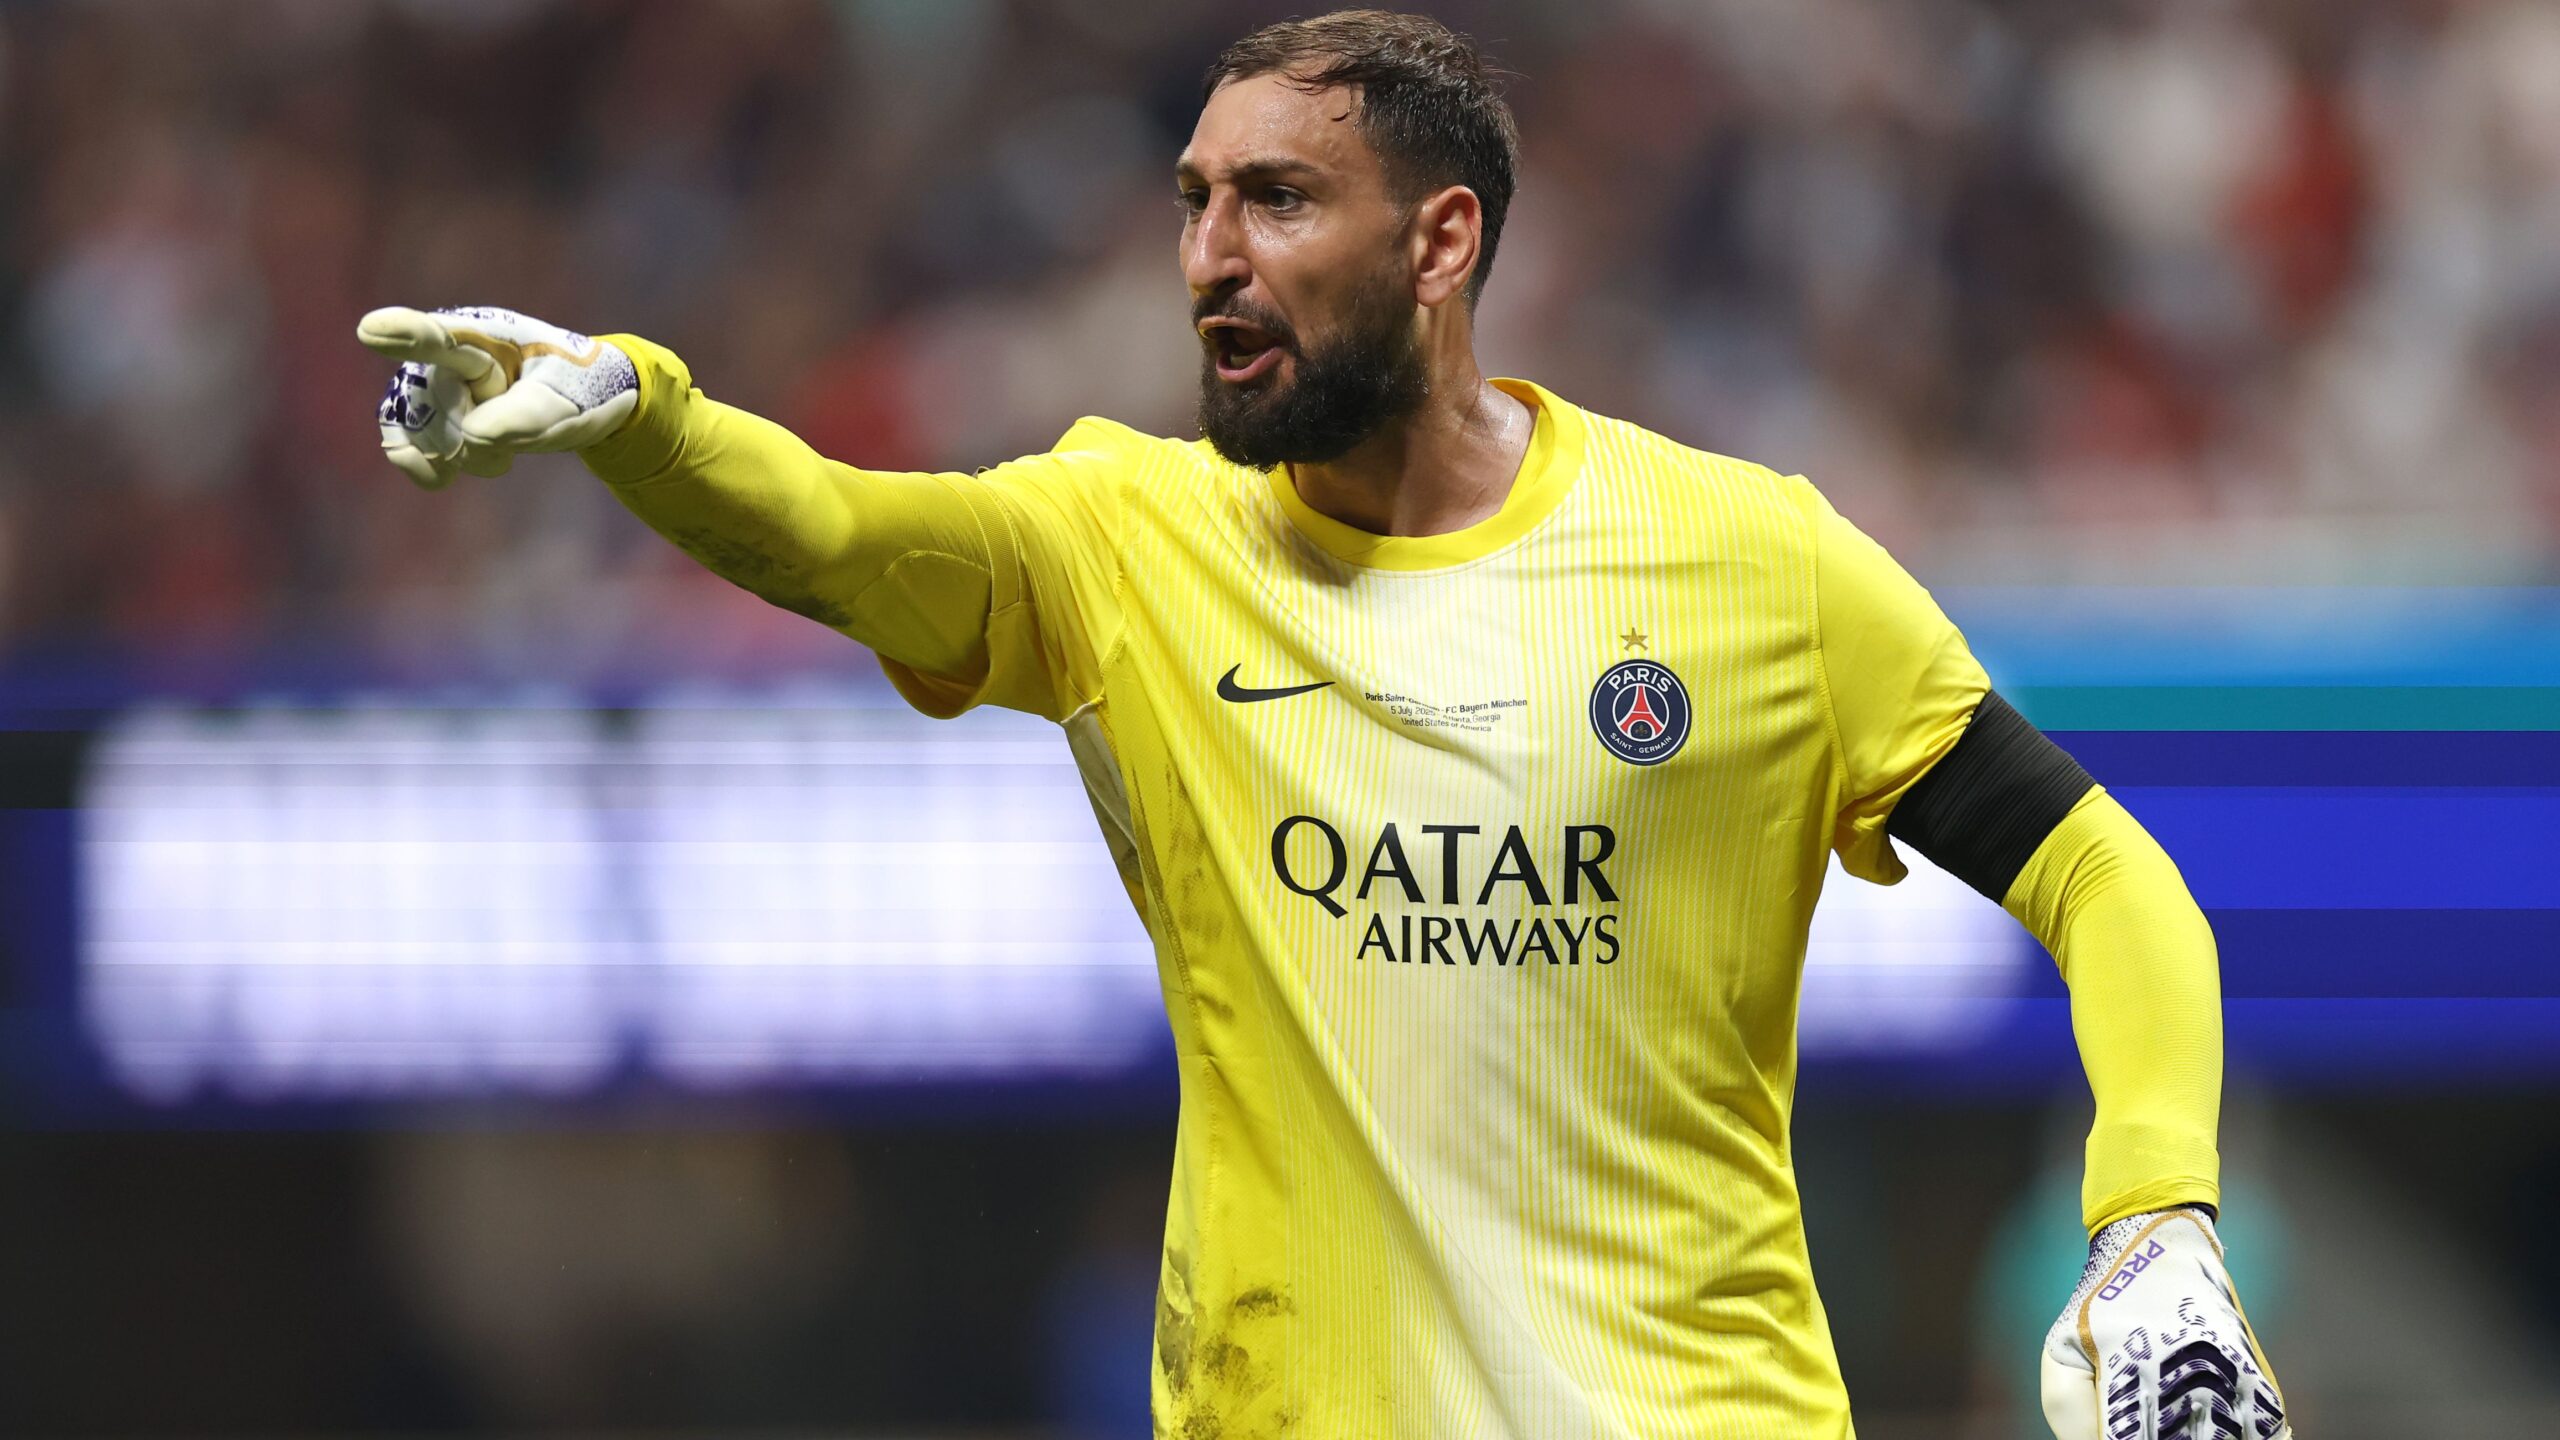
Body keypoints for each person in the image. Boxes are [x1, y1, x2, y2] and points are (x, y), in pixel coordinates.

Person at [358, 11, 2287, 1438]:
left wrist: (2153, 1223)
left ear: (1441, 245)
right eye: (1195, 202)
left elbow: (2103, 874)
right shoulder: (1125, 543)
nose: (1213, 253)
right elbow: (848, 536)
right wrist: (642, 415)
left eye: (1279, 200)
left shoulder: (1746, 562)